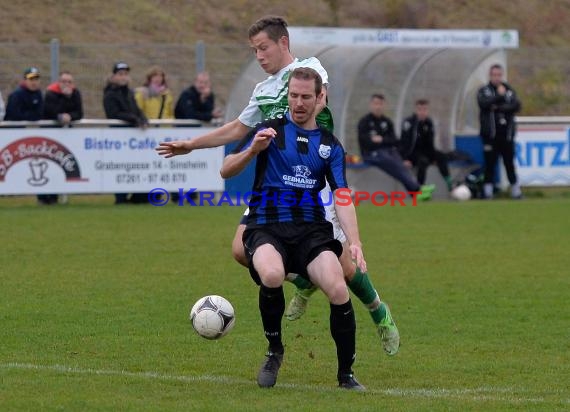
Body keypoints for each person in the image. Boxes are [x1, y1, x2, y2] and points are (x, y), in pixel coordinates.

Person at [156, 16, 400, 356]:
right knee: (242, 250)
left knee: (344, 269)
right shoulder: (263, 90)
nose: (258, 55)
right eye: (254, 50)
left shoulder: (308, 69)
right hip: (274, 188)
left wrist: (309, 102)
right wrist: (191, 144)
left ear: (283, 43)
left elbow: (320, 97)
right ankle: (301, 279)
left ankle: (378, 311)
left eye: (263, 47)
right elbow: (235, 129)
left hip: (314, 185)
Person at [221, 67, 365, 390]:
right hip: (266, 226)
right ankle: (274, 350)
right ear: (287, 95)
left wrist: (354, 241)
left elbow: (342, 196)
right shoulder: (269, 131)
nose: (298, 103)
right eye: (293, 96)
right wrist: (252, 150)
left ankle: (346, 375)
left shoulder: (330, 145)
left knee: (339, 289)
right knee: (272, 275)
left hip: (311, 231)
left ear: (319, 99)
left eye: (305, 97)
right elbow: (225, 169)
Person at [357, 94, 434, 200]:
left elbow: (395, 141)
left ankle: (415, 192)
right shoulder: (364, 122)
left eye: (380, 104)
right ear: (371, 105)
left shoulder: (387, 122)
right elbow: (366, 142)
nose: (378, 106)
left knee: (399, 162)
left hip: (387, 151)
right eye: (375, 103)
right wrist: (383, 141)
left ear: (384, 105)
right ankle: (416, 189)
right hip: (370, 154)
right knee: (393, 162)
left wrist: (381, 140)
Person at [103, 62, 149, 204]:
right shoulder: (110, 94)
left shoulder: (129, 93)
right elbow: (114, 113)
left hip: (132, 140)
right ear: (114, 76)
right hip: (119, 139)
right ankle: (120, 198)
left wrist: (143, 118)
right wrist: (135, 120)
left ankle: (136, 196)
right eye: (120, 74)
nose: (123, 77)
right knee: (121, 167)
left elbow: (135, 108)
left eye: (125, 74)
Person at [477, 64, 522, 199]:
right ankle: (488, 193)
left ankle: (516, 192)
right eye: (494, 75)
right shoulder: (484, 90)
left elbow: (516, 105)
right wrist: (499, 98)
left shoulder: (509, 90)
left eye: (499, 75)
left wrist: (497, 107)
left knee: (509, 164)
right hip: (490, 136)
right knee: (489, 164)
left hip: (506, 136)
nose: (496, 77)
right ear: (490, 76)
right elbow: (484, 104)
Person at [5, 67, 47, 204]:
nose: (34, 82)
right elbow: (14, 115)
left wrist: (31, 117)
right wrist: (31, 117)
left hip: (30, 135)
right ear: (24, 80)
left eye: (36, 79)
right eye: (31, 79)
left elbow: (40, 113)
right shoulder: (17, 95)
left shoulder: (38, 94)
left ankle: (42, 197)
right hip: (12, 135)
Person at [400, 99, 452, 191]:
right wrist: (404, 159)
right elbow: (404, 142)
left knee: (441, 156)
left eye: (424, 109)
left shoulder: (429, 122)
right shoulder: (409, 122)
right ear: (416, 110)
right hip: (412, 154)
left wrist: (433, 158)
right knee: (423, 161)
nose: (422, 112)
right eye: (420, 109)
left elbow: (430, 143)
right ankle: (420, 188)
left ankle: (450, 184)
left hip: (425, 152)